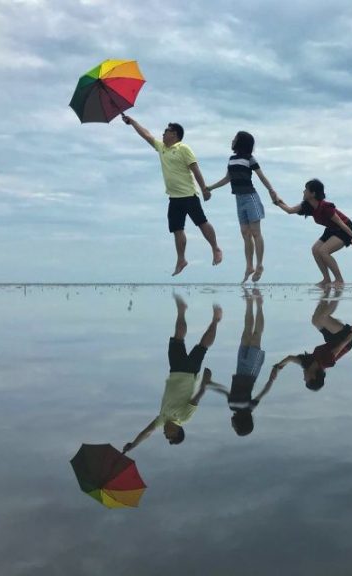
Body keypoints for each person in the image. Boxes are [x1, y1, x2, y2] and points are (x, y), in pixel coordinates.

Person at [121, 114, 222, 276]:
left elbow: (195, 169)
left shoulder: (183, 148)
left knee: (202, 223)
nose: (163, 134)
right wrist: (132, 122)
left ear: (174, 134)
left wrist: (204, 189)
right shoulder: (162, 148)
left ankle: (215, 248)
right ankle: (181, 259)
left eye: (166, 131)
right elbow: (146, 135)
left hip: (189, 195)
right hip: (174, 198)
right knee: (177, 229)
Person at [123, 295, 222, 452]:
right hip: (190, 373)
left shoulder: (162, 419)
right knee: (203, 345)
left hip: (175, 370)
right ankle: (216, 320)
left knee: (177, 338)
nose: (164, 434)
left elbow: (147, 432)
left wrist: (133, 444)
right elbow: (196, 399)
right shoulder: (184, 418)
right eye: (168, 436)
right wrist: (205, 382)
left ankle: (182, 310)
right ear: (176, 432)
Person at [206, 131, 279, 283]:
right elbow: (228, 178)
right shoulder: (231, 159)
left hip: (251, 197)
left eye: (235, 138)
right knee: (245, 233)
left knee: (256, 233)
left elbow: (261, 176)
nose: (232, 140)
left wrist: (272, 191)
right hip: (239, 200)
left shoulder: (249, 159)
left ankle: (259, 265)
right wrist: (211, 187)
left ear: (241, 142)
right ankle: (249, 266)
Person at [206, 288, 277, 436]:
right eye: (235, 427)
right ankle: (260, 304)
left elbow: (225, 391)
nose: (232, 426)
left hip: (239, 369)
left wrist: (210, 384)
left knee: (246, 333)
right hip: (251, 371)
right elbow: (263, 393)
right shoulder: (249, 407)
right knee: (256, 336)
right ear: (241, 423)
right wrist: (271, 379)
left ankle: (249, 303)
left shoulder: (232, 406)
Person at [275, 179, 352, 287]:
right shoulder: (307, 205)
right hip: (331, 229)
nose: (303, 191)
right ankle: (326, 279)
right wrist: (277, 202)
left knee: (324, 251)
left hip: (344, 228)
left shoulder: (326, 207)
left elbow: (340, 223)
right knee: (315, 250)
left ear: (313, 193)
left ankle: (339, 280)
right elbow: (290, 210)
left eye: (306, 189)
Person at [275, 289, 352, 391]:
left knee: (315, 320)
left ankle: (326, 291)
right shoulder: (326, 362)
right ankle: (338, 291)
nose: (303, 379)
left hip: (331, 340)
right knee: (323, 317)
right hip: (345, 340)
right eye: (306, 380)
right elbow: (341, 346)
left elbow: (290, 358)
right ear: (313, 377)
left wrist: (278, 367)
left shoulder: (307, 364)